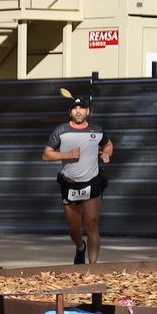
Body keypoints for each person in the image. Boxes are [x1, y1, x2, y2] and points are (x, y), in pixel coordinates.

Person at [43, 95, 115, 264]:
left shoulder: (97, 130)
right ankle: (80, 246)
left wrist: (106, 153)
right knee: (74, 228)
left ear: (87, 111)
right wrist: (67, 155)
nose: (78, 111)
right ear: (70, 112)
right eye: (75, 108)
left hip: (92, 183)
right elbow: (46, 155)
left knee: (91, 225)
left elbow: (109, 145)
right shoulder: (61, 130)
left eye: (82, 108)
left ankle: (93, 267)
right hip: (70, 185)